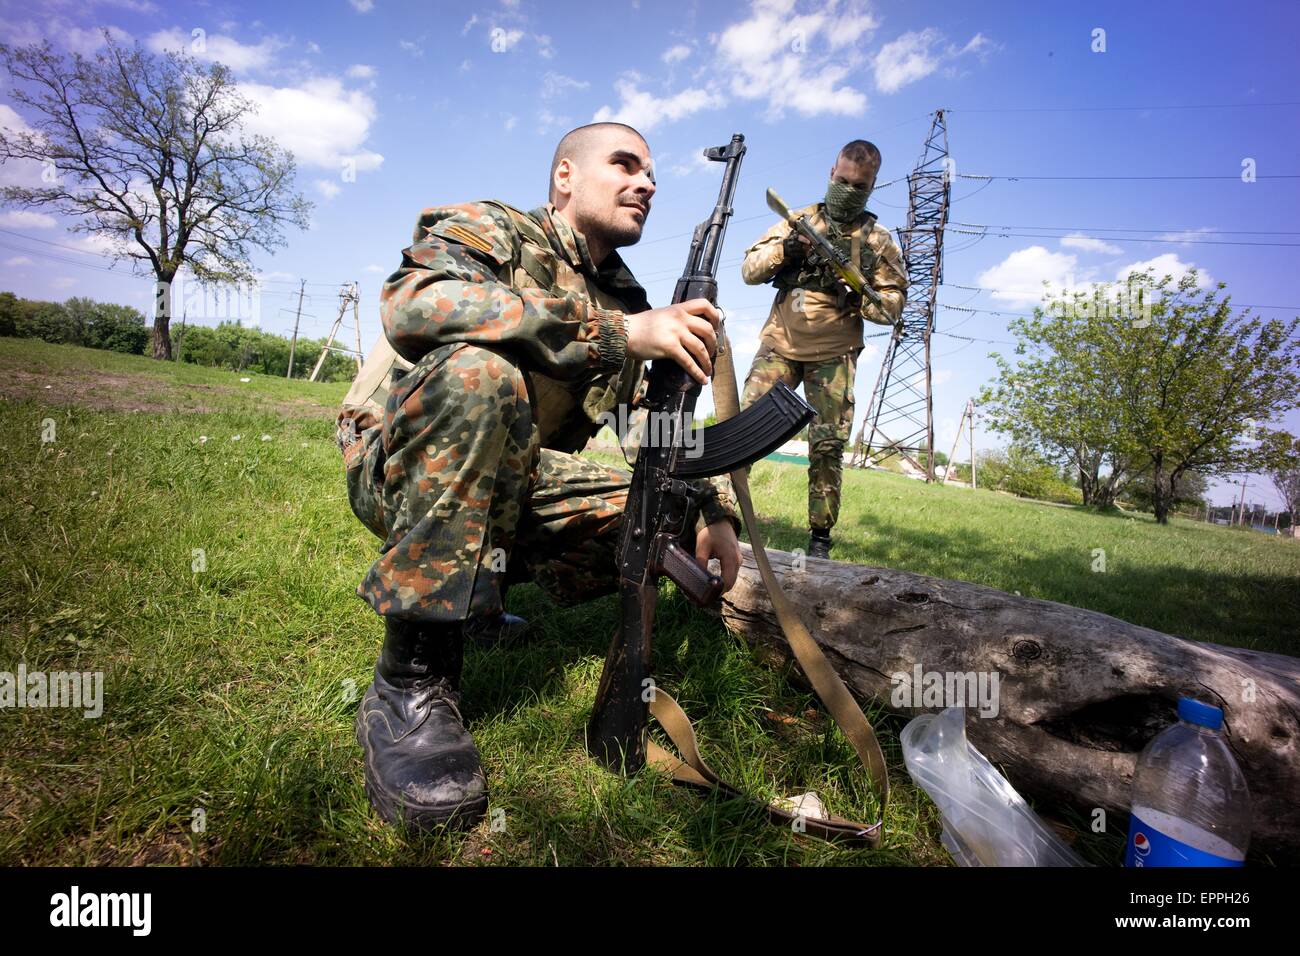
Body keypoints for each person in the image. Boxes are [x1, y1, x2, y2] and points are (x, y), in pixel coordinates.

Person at [335, 122, 742, 833]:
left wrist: (710, 507)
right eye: (624, 164)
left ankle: (482, 597)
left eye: (652, 174)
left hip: (514, 478)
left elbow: (642, 428)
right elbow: (416, 303)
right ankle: (410, 682)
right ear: (564, 176)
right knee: (480, 374)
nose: (646, 182)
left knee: (661, 506)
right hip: (400, 459)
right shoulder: (495, 229)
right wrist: (616, 335)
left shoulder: (626, 295)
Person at [738, 140, 907, 559]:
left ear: (871, 187)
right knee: (743, 431)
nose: (847, 189)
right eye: (843, 180)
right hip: (780, 343)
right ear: (832, 173)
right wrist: (787, 250)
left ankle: (819, 539)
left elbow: (891, 309)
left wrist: (857, 291)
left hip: (835, 353)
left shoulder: (879, 241)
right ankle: (721, 513)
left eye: (859, 185)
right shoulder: (798, 221)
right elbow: (749, 270)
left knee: (828, 445)